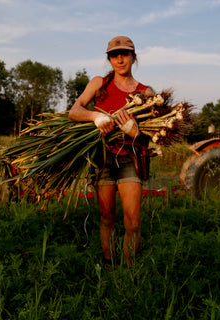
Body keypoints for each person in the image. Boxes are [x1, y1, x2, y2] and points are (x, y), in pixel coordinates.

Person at [69, 36, 153, 265]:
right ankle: (109, 264)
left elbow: (153, 138)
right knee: (107, 217)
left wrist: (135, 133)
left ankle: (128, 270)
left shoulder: (146, 94)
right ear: (109, 59)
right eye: (114, 55)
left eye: (125, 54)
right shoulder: (99, 84)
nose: (120, 59)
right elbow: (74, 111)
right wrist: (95, 116)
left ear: (134, 57)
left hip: (130, 159)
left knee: (133, 222)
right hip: (102, 158)